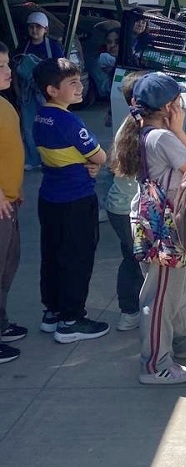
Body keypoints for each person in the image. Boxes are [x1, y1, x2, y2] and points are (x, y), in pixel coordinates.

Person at [114, 72, 186, 384]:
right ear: (170, 106)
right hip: (163, 229)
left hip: (158, 223)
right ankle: (155, 364)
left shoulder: (145, 131)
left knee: (175, 288)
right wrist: (178, 129)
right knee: (159, 297)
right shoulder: (162, 137)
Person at [32, 57, 109, 343]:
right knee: (77, 257)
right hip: (76, 199)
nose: (80, 87)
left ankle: (52, 312)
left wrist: (86, 162)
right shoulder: (68, 120)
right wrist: (93, 163)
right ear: (52, 90)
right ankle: (71, 320)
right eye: (72, 83)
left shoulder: (40, 115)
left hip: (50, 197)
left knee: (52, 255)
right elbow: (100, 156)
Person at [105, 71, 146, 331]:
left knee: (130, 258)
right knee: (139, 261)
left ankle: (130, 310)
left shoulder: (130, 125)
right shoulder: (140, 129)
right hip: (130, 209)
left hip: (119, 208)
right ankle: (132, 311)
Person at [0, 42, 27, 363]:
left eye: (7, 65)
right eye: (1, 67)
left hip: (10, 201)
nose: (9, 72)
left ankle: (2, 322)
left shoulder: (5, 103)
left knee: (7, 266)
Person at [15, 11, 64, 169]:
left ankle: (50, 159)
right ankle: (33, 159)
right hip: (27, 94)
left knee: (49, 125)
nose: (34, 30)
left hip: (47, 93)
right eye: (31, 27)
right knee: (29, 128)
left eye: (38, 27)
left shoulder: (54, 47)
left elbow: (60, 70)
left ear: (46, 29)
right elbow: (15, 71)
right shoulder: (23, 47)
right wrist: (17, 92)